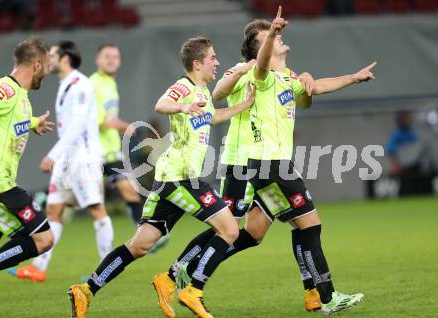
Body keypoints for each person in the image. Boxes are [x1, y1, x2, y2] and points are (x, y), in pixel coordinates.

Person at [156, 6, 377, 315]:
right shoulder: (255, 73)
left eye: (277, 34)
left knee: (252, 232)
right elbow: (223, 89)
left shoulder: (286, 77)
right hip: (255, 162)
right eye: (272, 36)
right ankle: (324, 295)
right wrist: (267, 38)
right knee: (292, 224)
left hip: (266, 163)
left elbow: (315, 88)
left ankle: (313, 295)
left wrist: (353, 77)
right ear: (262, 49)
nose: (279, 36)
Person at [67, 36, 255, 318]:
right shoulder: (185, 86)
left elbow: (213, 117)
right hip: (181, 177)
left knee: (140, 245)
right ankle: (192, 290)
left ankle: (86, 289)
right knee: (229, 230)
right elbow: (161, 103)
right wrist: (181, 107)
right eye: (212, 58)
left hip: (170, 178)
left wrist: (244, 105)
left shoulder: (203, 93)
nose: (217, 62)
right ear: (197, 63)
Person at [13, 41, 114, 282]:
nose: (49, 59)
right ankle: (38, 267)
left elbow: (78, 126)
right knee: (54, 210)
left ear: (66, 58)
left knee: (96, 209)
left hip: (82, 159)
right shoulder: (66, 84)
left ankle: (107, 268)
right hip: (68, 159)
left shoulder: (80, 85)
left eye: (54, 54)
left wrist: (53, 154)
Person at [0, 36, 54, 271]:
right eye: (48, 67)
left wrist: (32, 122)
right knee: (44, 239)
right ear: (37, 65)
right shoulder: (7, 89)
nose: (48, 73)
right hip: (2, 187)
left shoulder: (22, 99)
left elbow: (11, 121)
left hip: (5, 183)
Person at [89, 43, 145, 223]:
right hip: (94, 152)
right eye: (107, 56)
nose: (111, 60)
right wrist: (125, 126)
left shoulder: (109, 83)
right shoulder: (94, 84)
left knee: (132, 192)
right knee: (80, 201)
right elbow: (102, 121)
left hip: (111, 151)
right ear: (97, 59)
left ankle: (144, 238)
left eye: (115, 57)